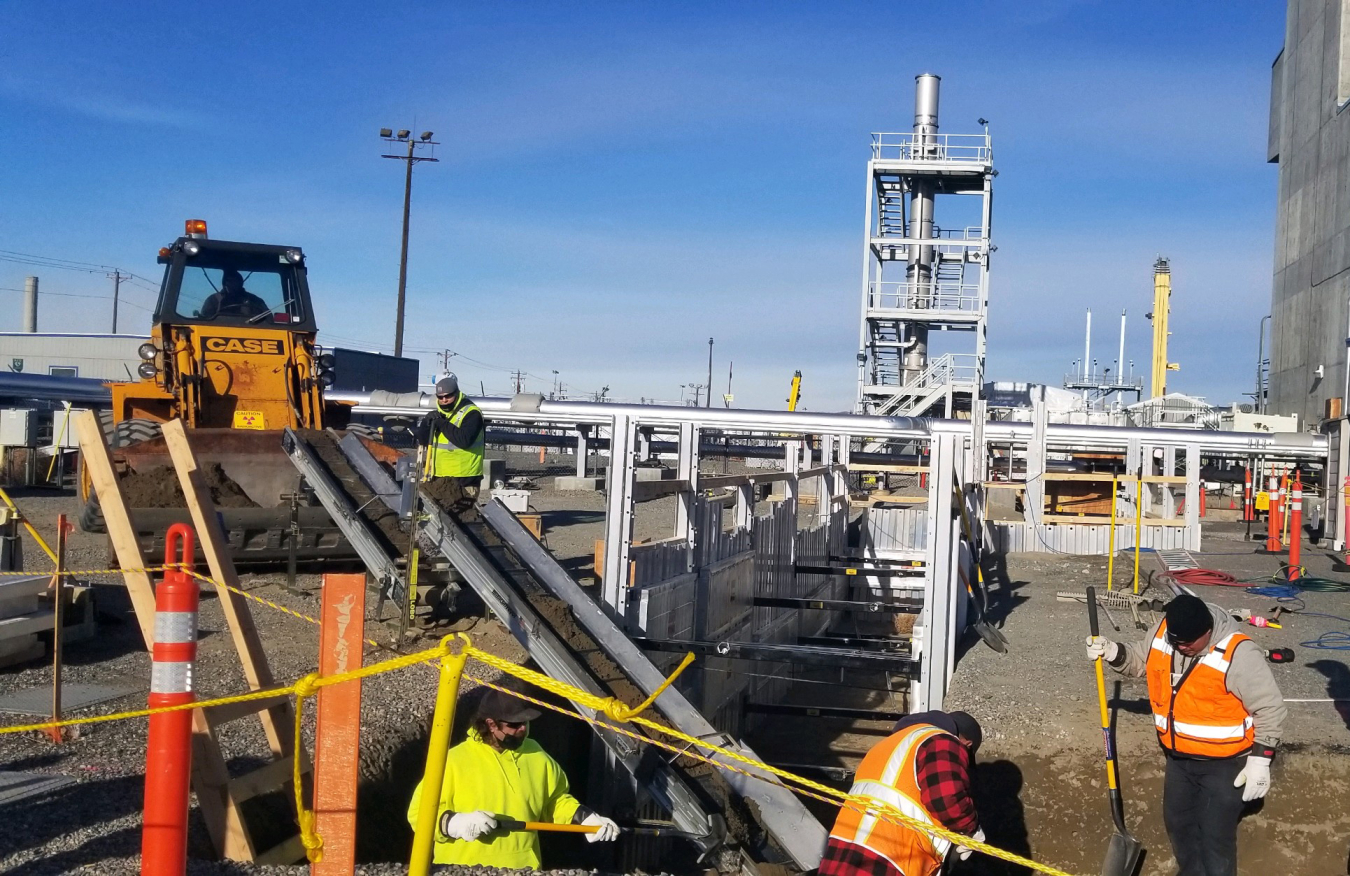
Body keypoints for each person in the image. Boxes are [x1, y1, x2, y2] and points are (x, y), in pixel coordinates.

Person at [1086, 594, 1285, 876]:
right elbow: (1140, 662)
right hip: (1179, 759)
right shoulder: (1164, 633)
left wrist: (1261, 760)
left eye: (1188, 643)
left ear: (1207, 632)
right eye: (1176, 641)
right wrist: (1112, 652)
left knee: (1214, 837)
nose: (1181, 648)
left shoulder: (1238, 654)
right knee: (1178, 825)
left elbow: (1270, 707)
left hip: (1226, 764)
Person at [406, 687, 619, 868]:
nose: (522, 729)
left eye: (525, 722)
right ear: (491, 724)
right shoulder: (454, 760)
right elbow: (418, 813)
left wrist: (584, 818)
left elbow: (555, 800)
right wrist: (453, 823)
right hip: (463, 869)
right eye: (514, 725)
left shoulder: (535, 754)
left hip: (524, 869)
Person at [819, 710, 985, 876]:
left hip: (839, 857)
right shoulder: (942, 740)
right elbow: (946, 799)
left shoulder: (886, 746)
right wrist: (971, 827)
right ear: (967, 744)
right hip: (890, 859)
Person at [415, 373, 485, 508]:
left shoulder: (471, 413)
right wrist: (426, 423)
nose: (444, 400)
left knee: (461, 522)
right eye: (440, 397)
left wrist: (441, 423)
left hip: (465, 481)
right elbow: (423, 441)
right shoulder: (438, 414)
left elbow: (464, 440)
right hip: (439, 479)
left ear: (457, 393)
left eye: (448, 396)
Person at [199, 268, 268, 320]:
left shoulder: (255, 301)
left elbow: (267, 318)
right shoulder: (213, 300)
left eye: (235, 281)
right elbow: (204, 320)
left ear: (240, 282)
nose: (231, 284)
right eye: (228, 281)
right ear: (224, 283)